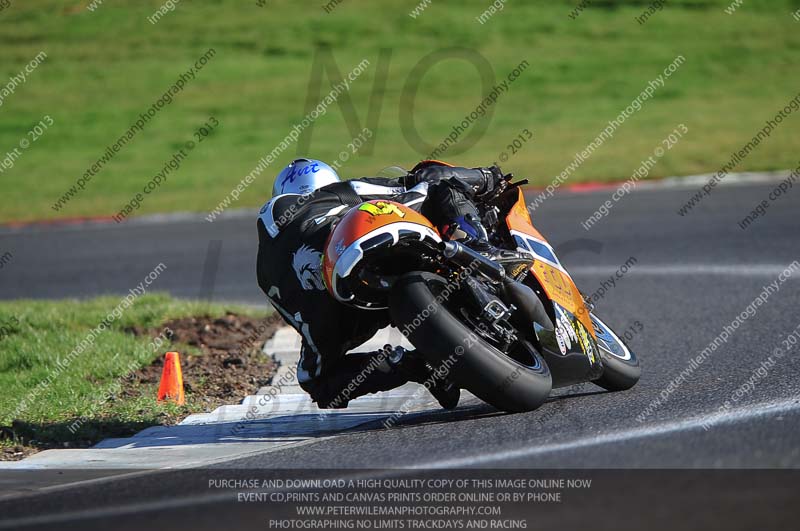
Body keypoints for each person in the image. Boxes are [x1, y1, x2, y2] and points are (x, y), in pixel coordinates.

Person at [256, 158, 533, 410]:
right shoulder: (331, 195)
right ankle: (479, 245)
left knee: (319, 384)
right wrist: (486, 177)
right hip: (360, 260)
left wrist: (321, 330)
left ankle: (415, 366)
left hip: (337, 317)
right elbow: (410, 185)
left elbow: (293, 314)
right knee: (440, 183)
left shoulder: (265, 267)